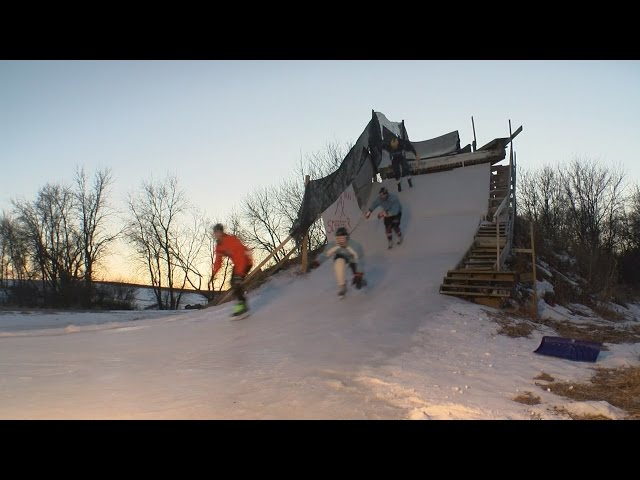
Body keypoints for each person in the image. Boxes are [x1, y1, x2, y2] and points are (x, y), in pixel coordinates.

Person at [211, 223, 253, 317]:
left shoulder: (231, 240)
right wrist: (214, 273)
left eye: (218, 232)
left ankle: (243, 307)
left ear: (222, 232)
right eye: (215, 233)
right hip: (238, 263)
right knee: (233, 283)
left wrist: (239, 274)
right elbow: (218, 261)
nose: (216, 235)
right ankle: (242, 304)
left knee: (235, 282)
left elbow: (241, 257)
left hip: (246, 261)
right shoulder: (219, 247)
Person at [310, 227, 366, 298]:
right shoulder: (334, 245)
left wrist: (359, 274)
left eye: (342, 238)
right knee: (338, 264)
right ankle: (342, 286)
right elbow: (325, 254)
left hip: (352, 259)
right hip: (341, 256)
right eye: (338, 238)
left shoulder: (355, 246)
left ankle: (361, 281)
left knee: (357, 276)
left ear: (346, 237)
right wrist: (317, 262)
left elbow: (359, 260)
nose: (340, 241)